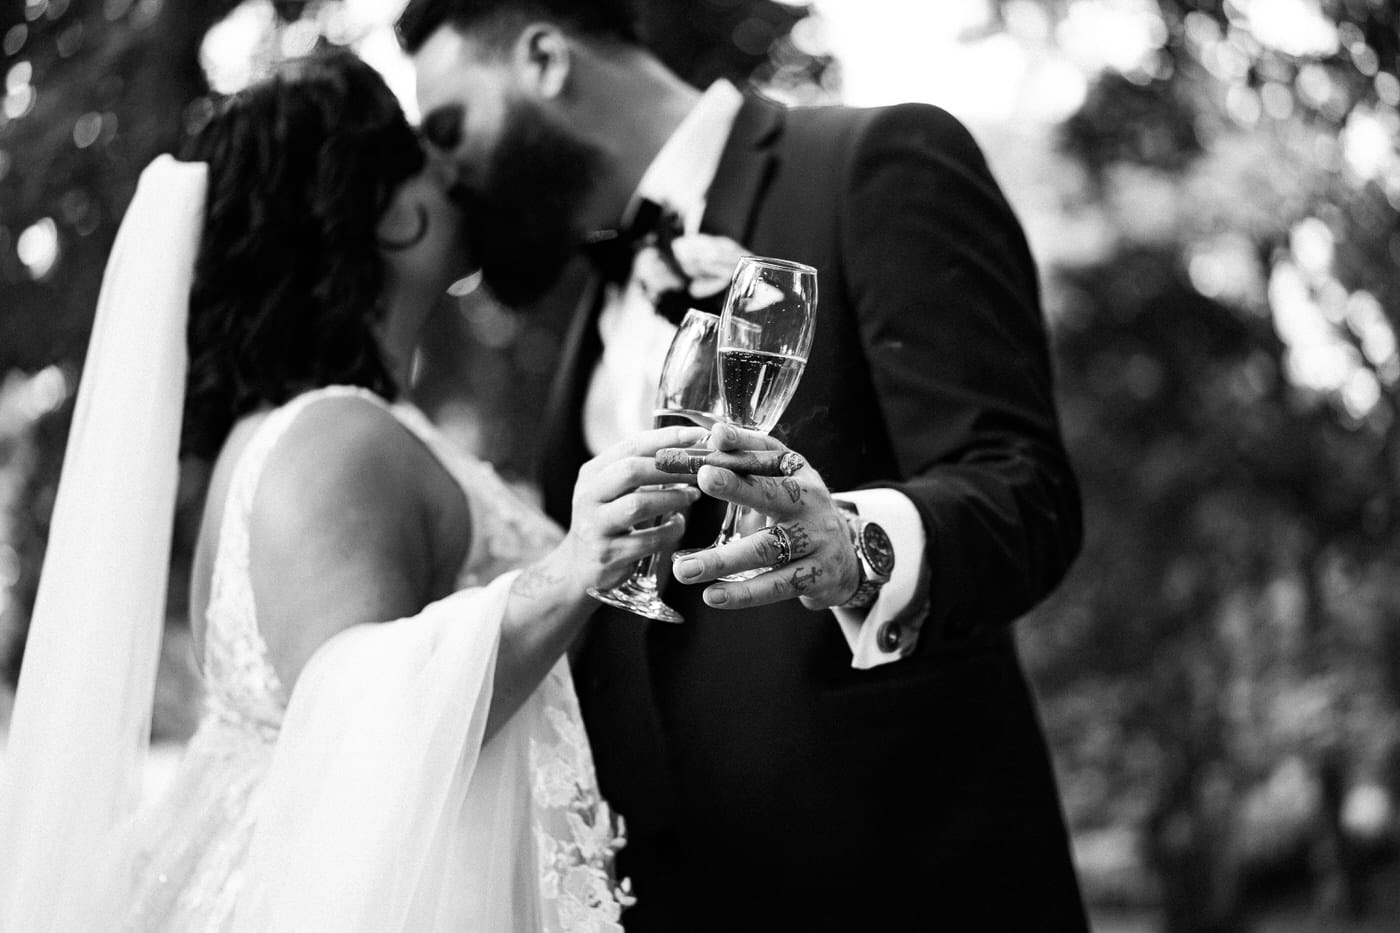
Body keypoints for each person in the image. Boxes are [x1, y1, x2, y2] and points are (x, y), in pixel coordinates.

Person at [399, 1, 1089, 929]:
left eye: (449, 127)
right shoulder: (586, 318)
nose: (444, 171)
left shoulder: (876, 162)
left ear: (545, 59)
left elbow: (1025, 488)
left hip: (903, 883)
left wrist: (851, 544)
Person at [0, 49, 706, 931]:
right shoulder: (338, 438)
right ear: (396, 217)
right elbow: (351, 724)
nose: (462, 181)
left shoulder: (292, 429)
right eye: (431, 163)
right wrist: (569, 572)